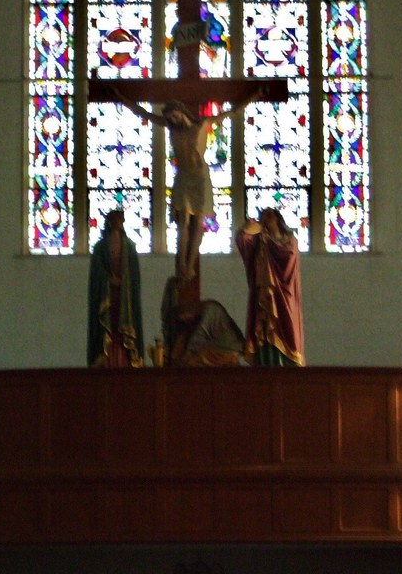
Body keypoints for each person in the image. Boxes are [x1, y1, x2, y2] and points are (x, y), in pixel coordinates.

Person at [115, 87, 263, 282]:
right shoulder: (170, 128)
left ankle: (190, 264)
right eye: (169, 118)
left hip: (200, 177)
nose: (173, 120)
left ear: (182, 111)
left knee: (198, 223)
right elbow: (143, 113)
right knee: (183, 221)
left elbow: (232, 112)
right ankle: (182, 265)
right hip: (183, 176)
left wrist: (254, 96)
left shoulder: (202, 124)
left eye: (174, 115)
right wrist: (121, 97)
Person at [236, 208, 304, 366]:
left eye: (270, 216)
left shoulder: (289, 240)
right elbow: (242, 238)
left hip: (283, 293)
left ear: (278, 219)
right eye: (263, 217)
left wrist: (272, 246)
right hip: (264, 294)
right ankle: (266, 362)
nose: (267, 219)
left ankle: (286, 364)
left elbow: (289, 258)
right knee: (264, 328)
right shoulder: (259, 239)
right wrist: (253, 225)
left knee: (286, 327)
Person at [87, 209, 144, 368]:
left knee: (124, 325)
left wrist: (124, 283)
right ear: (109, 222)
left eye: (120, 220)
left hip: (125, 297)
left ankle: (127, 359)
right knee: (108, 326)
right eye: (114, 220)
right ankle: (105, 358)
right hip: (107, 295)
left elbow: (134, 275)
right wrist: (108, 280)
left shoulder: (130, 247)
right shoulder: (100, 247)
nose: (118, 223)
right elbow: (97, 272)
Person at [160, 276, 245, 367]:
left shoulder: (211, 309)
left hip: (227, 350)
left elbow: (194, 345)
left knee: (193, 360)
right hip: (213, 352)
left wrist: (183, 356)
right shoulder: (185, 321)